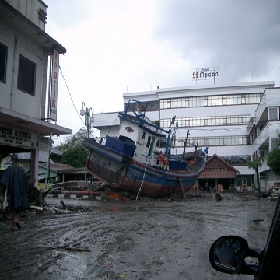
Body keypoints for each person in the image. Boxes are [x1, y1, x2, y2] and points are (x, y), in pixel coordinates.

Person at [0, 155, 28, 230]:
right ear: (18, 161)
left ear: (11, 160)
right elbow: (26, 182)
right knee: (19, 208)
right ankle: (16, 220)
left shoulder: (9, 169)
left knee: (11, 209)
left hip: (12, 192)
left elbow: (4, 182)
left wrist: (2, 192)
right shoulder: (21, 170)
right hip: (20, 192)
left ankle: (12, 226)